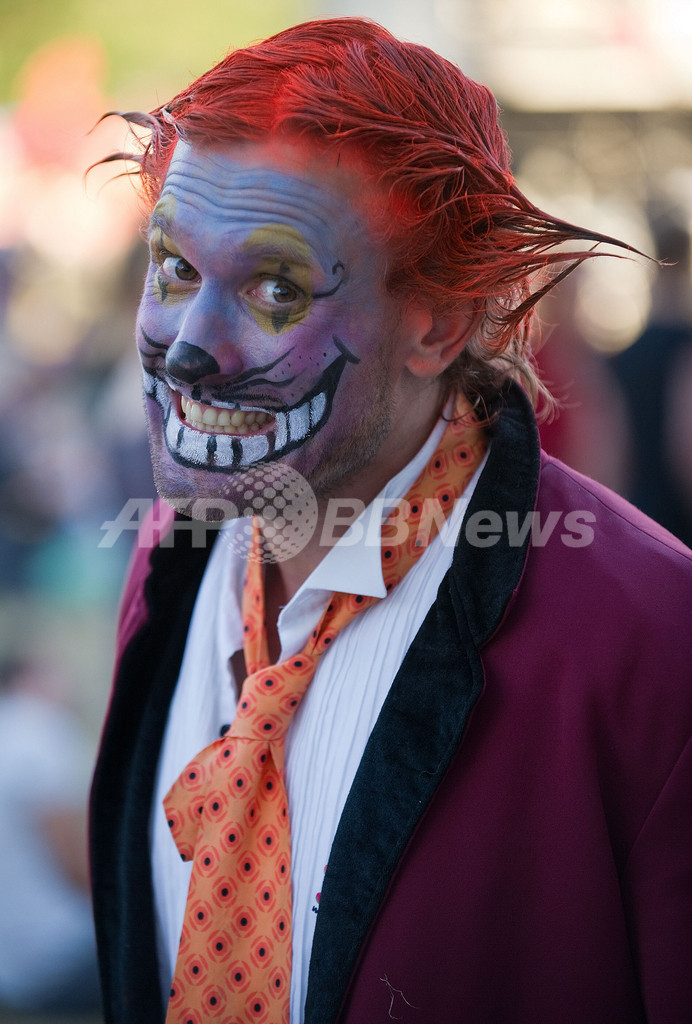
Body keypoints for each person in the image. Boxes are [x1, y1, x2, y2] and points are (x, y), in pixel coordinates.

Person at [89, 18, 692, 1024]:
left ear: (441, 323)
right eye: (175, 269)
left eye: (274, 287)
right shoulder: (169, 554)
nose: (187, 348)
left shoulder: (653, 645)